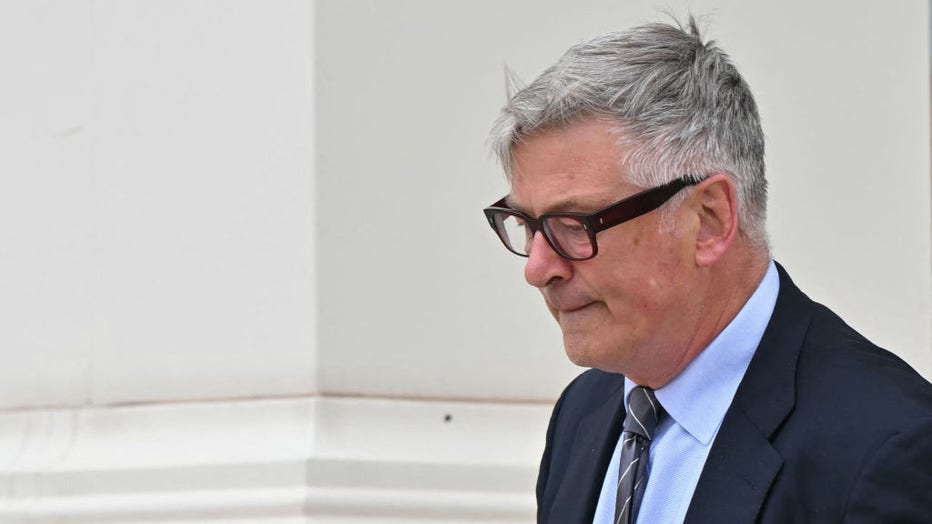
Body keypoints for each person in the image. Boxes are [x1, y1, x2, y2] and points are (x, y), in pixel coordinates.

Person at [482, 17, 932, 524]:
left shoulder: (887, 449)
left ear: (709, 221)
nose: (539, 268)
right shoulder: (585, 412)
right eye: (525, 223)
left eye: (573, 224)